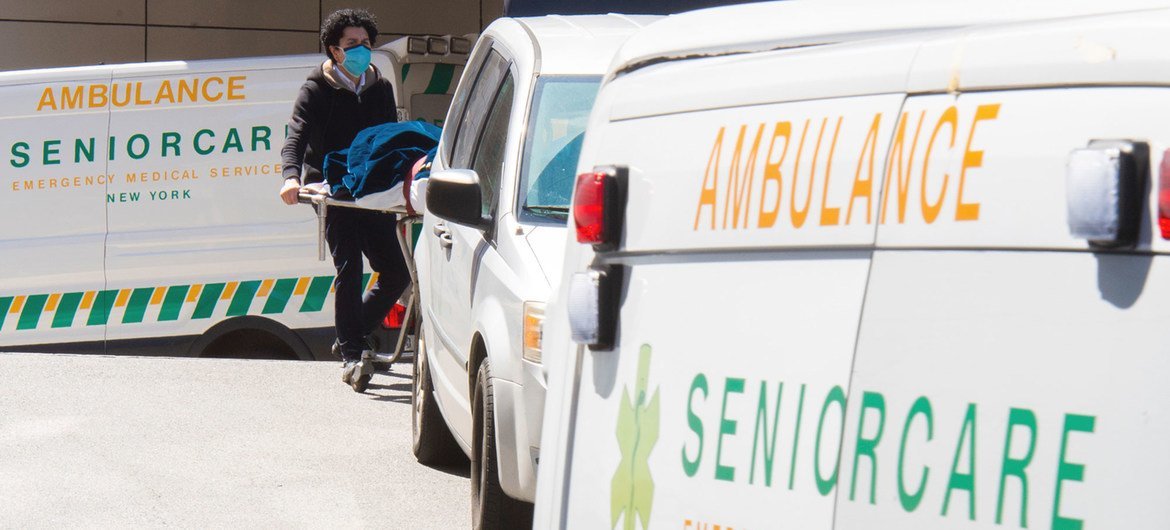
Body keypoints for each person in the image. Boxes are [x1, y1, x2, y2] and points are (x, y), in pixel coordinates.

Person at [279, 8, 409, 387]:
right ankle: (353, 352)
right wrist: (290, 178)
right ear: (334, 50)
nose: (361, 50)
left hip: (371, 189)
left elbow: (389, 137)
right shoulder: (315, 90)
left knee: (397, 270)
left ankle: (349, 334)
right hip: (333, 192)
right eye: (352, 44)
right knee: (349, 268)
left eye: (366, 43)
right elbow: (296, 138)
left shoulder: (380, 88)